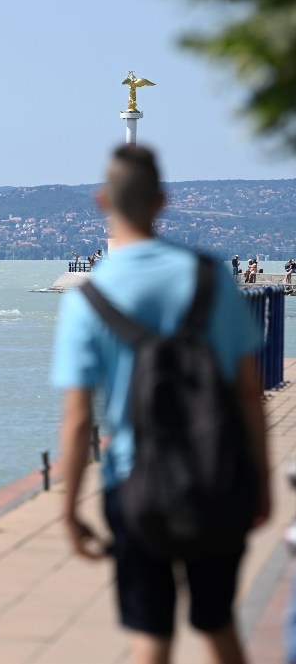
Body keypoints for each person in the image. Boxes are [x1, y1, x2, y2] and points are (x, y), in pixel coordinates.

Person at [51, 145, 271, 664]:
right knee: (218, 625)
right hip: (216, 478)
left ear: (102, 200)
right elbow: (248, 392)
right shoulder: (212, 278)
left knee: (150, 638)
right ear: (163, 201)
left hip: (134, 485)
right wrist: (260, 482)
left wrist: (68, 511)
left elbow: (78, 418)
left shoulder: (88, 299)